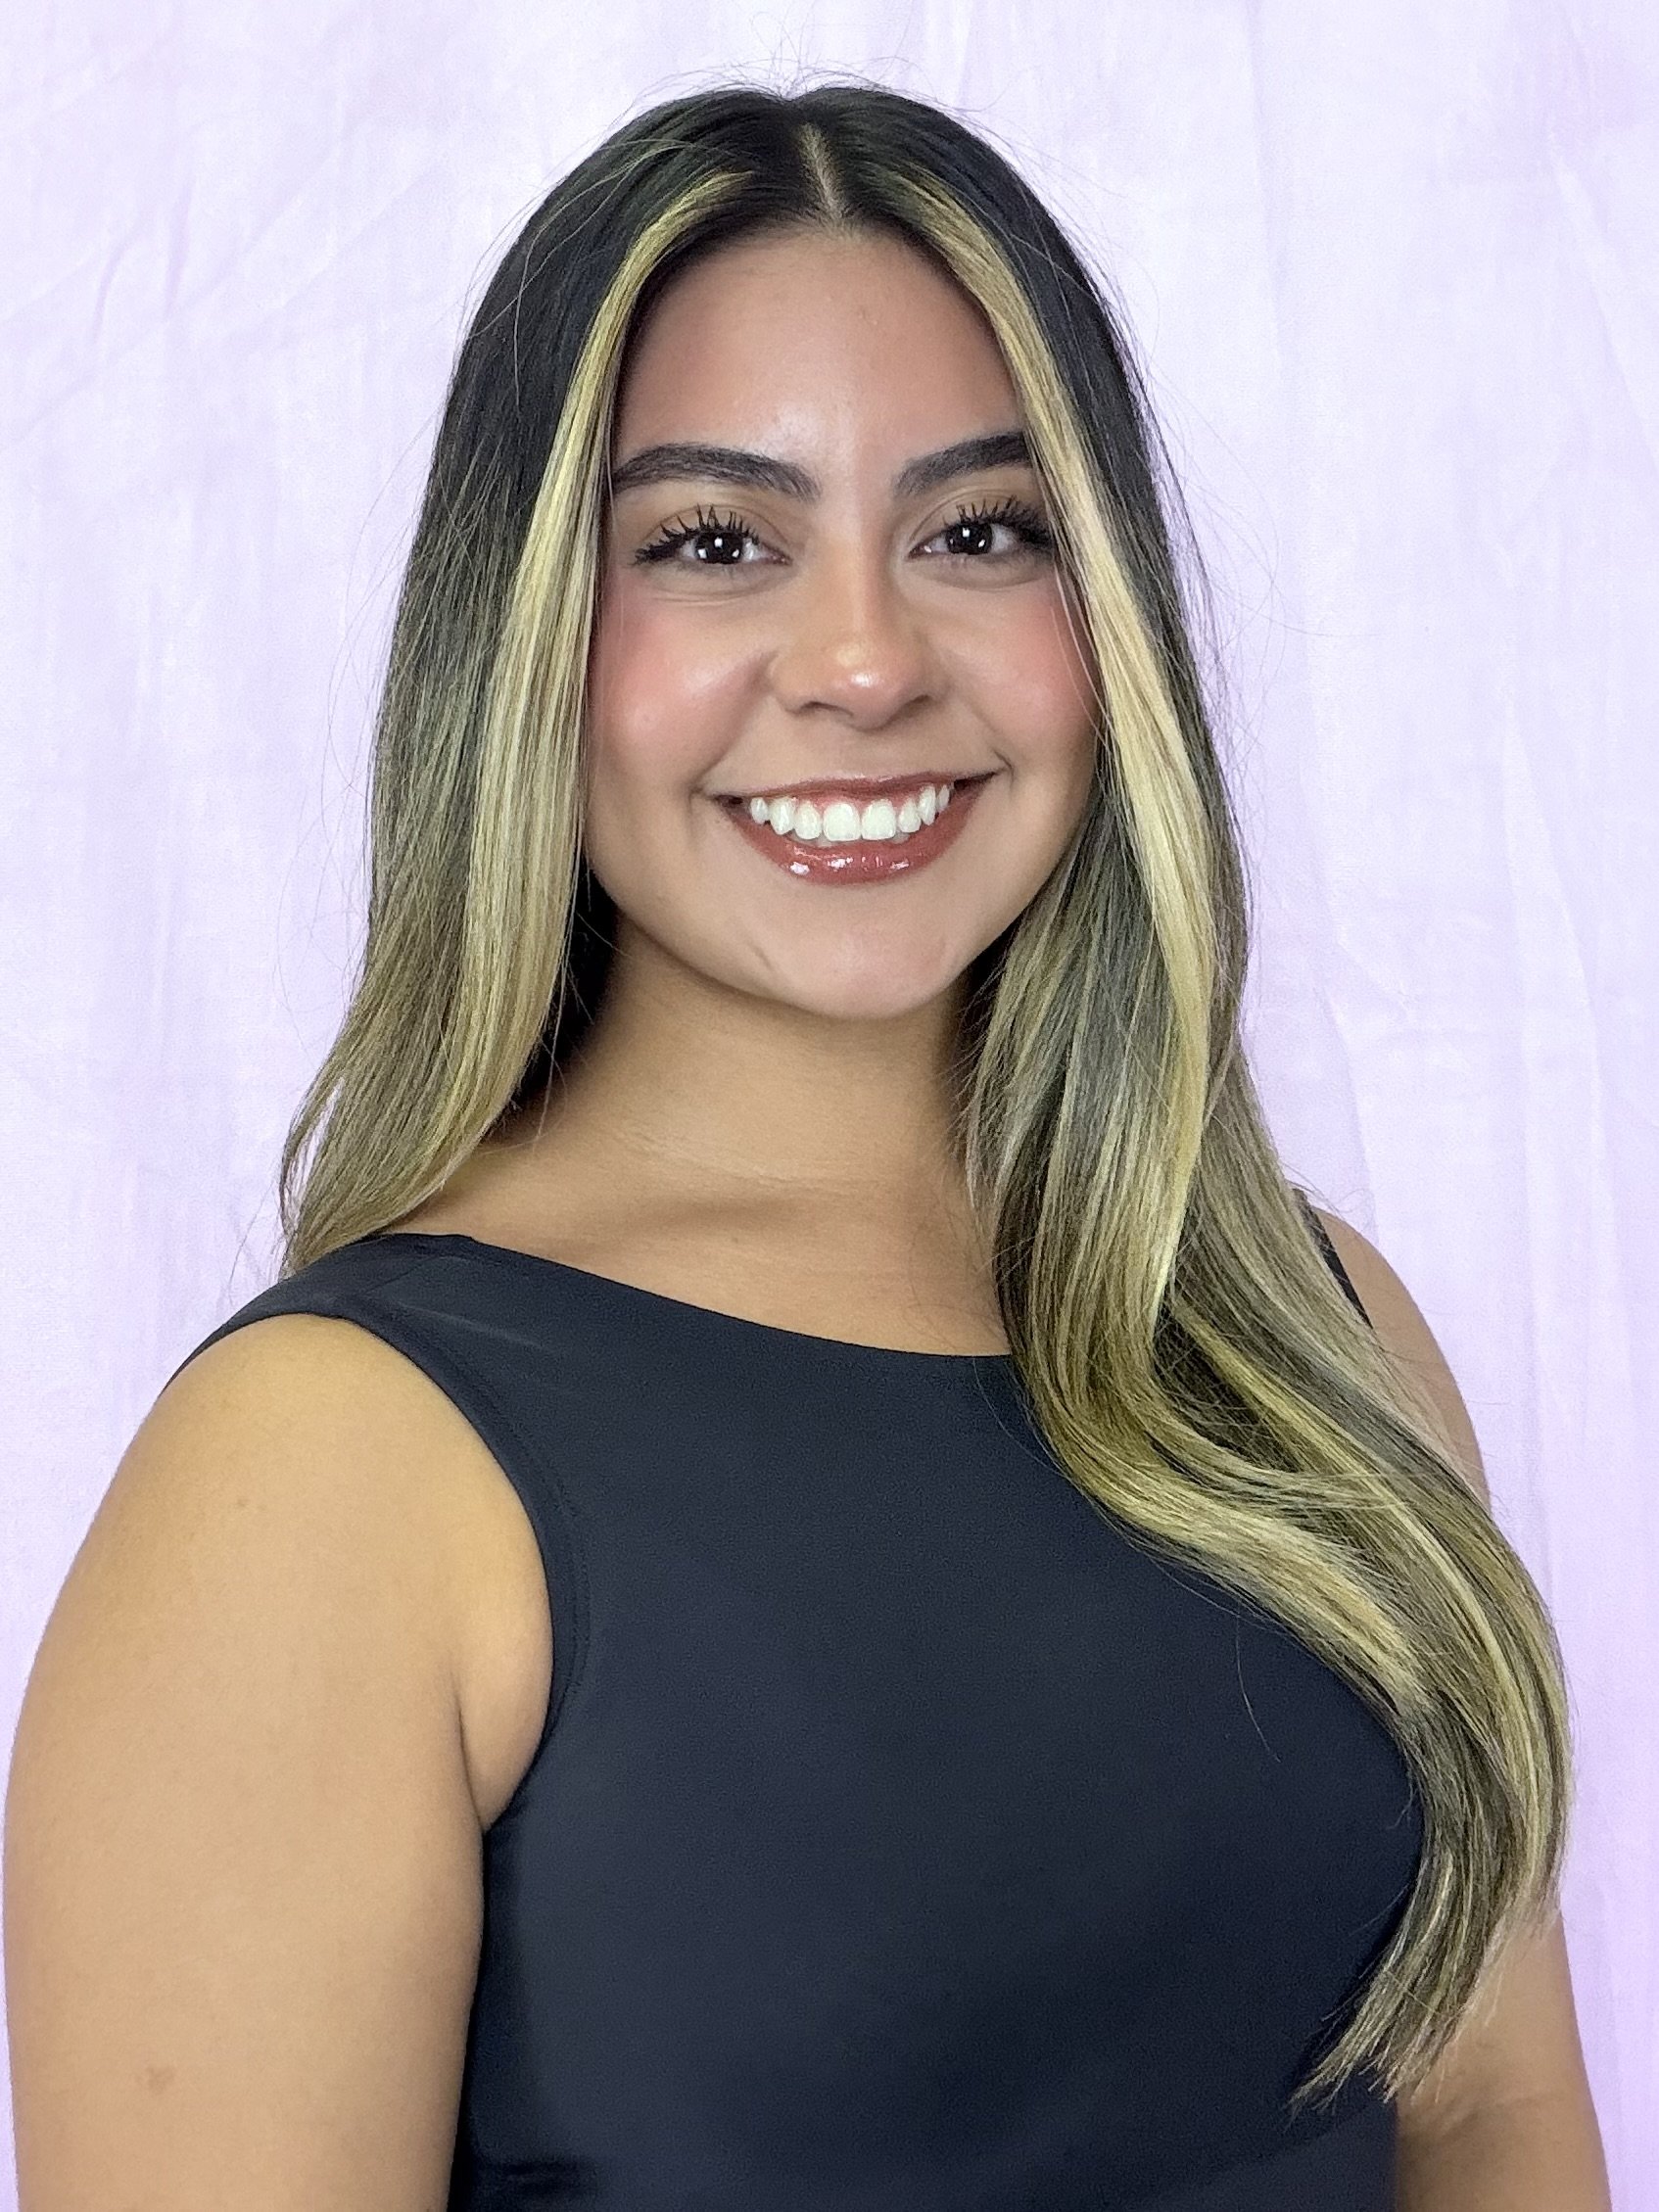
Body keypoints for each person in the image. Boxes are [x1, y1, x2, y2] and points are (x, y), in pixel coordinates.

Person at [3, 80, 1609, 2212]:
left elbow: (1491, 2117)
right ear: (527, 638)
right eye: (712, 543)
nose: (861, 662)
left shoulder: (1309, 1332)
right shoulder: (328, 1469)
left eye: (979, 531)